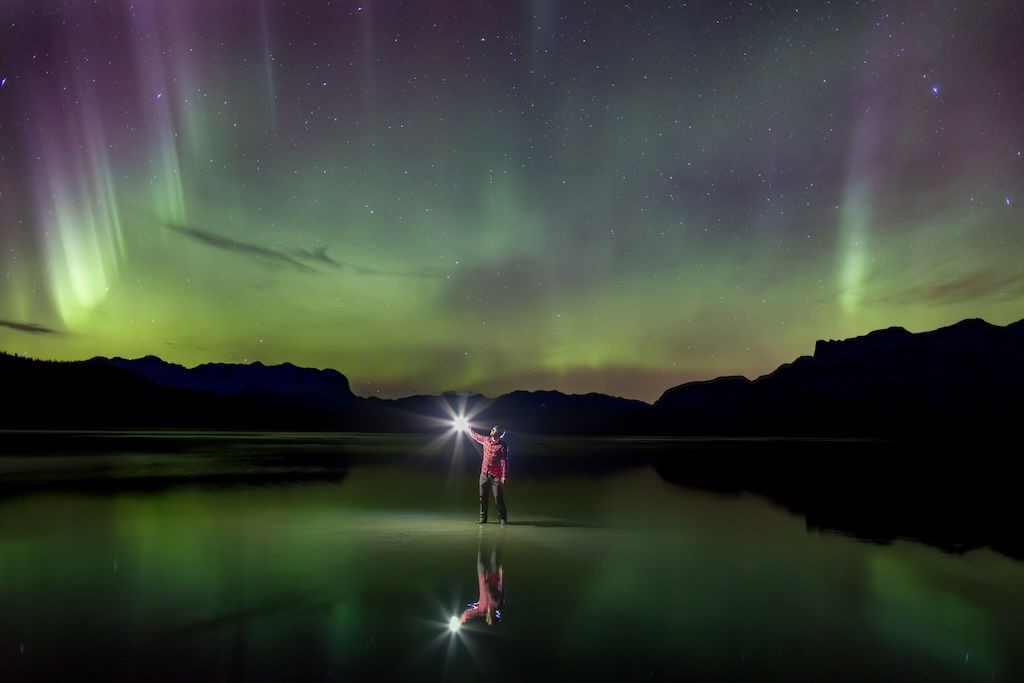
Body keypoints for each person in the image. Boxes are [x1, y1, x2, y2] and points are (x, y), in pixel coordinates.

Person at [466, 424, 508, 525]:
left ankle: (502, 518)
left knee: (498, 497)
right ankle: (483, 518)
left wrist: (503, 476)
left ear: (497, 433)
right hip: (484, 474)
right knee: (482, 497)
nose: (491, 430)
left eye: (493, 430)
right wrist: (467, 427)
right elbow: (475, 436)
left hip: (496, 475)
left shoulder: (502, 445)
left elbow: (504, 461)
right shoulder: (486, 440)